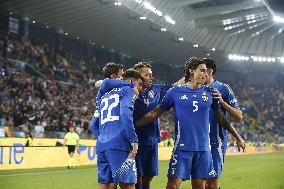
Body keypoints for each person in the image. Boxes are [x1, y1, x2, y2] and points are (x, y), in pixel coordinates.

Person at [136, 58, 245, 189]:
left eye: (206, 71)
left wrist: (238, 137)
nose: (206, 74)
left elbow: (221, 119)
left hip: (204, 150)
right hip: (182, 149)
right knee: (172, 185)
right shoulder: (174, 92)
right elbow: (155, 113)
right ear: (191, 71)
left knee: (200, 186)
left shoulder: (211, 93)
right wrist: (134, 125)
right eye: (202, 71)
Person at [92, 69, 144, 189]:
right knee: (128, 185)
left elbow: (93, 124)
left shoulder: (103, 96)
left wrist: (102, 139)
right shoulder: (128, 90)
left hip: (102, 146)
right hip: (120, 144)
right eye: (139, 84)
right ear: (131, 81)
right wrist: (133, 139)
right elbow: (125, 114)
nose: (140, 88)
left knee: (107, 185)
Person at [203, 58, 243, 189]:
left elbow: (239, 116)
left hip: (216, 141)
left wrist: (222, 102)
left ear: (210, 71)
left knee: (212, 182)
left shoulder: (223, 88)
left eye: (203, 69)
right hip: (197, 141)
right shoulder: (194, 88)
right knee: (199, 182)